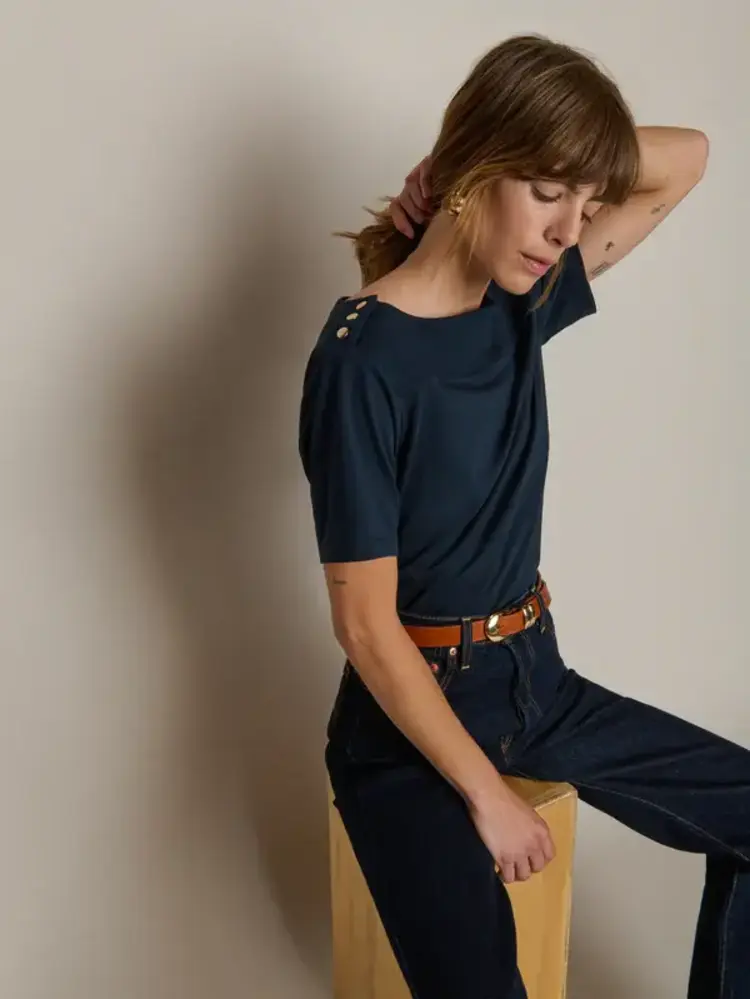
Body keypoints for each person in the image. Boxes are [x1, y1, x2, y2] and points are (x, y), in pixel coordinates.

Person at [297, 34, 742, 999]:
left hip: (535, 681)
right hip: (407, 724)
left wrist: (538, 156)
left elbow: (690, 156)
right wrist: (486, 795)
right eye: (547, 192)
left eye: (584, 203)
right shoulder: (360, 363)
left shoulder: (523, 298)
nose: (568, 229)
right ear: (481, 170)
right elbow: (364, 627)